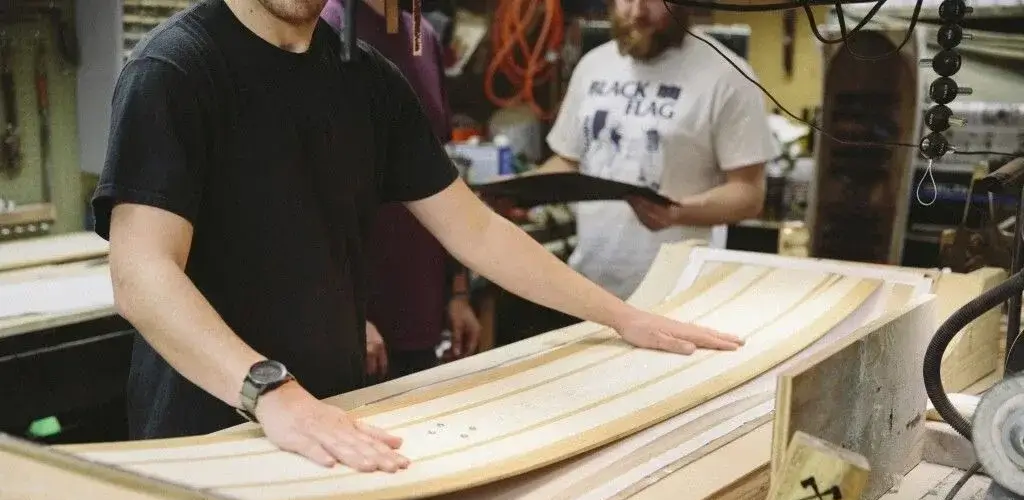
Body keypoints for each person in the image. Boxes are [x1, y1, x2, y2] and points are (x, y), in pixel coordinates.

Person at [93, 0, 743, 475]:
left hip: (338, 421)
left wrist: (622, 316)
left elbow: (476, 231)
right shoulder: (175, 71)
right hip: (210, 430)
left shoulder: (366, 81)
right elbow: (141, 276)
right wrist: (272, 394)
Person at [527, 0, 778, 300]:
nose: (637, 12)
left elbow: (749, 194)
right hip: (590, 289)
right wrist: (515, 193)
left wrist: (677, 213)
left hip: (678, 293)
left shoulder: (728, 76)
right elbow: (569, 161)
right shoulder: (593, 66)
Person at [321, 0, 481, 381]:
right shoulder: (327, 25)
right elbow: (308, 193)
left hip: (421, 310)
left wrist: (458, 291)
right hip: (358, 328)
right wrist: (345, 315)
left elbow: (442, 172)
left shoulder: (422, 35)